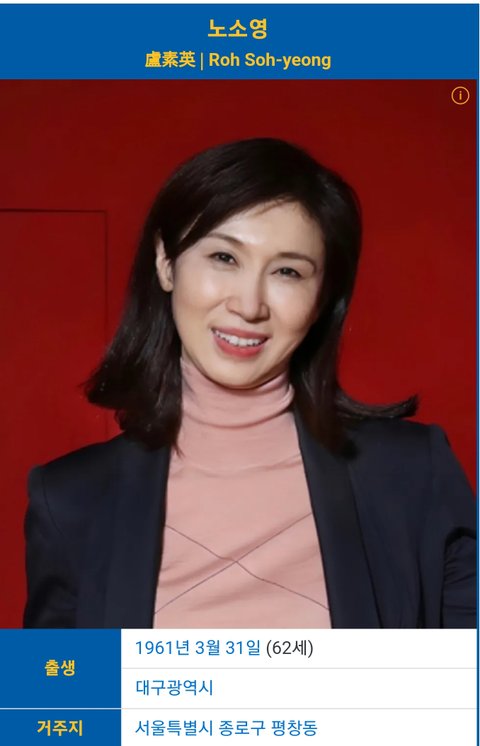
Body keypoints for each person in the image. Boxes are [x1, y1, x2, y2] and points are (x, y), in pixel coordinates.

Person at [23, 137, 476, 629]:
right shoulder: (71, 500)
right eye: (224, 258)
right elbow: (59, 680)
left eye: (287, 271)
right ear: (166, 262)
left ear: (322, 298)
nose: (249, 305)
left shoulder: (412, 475)